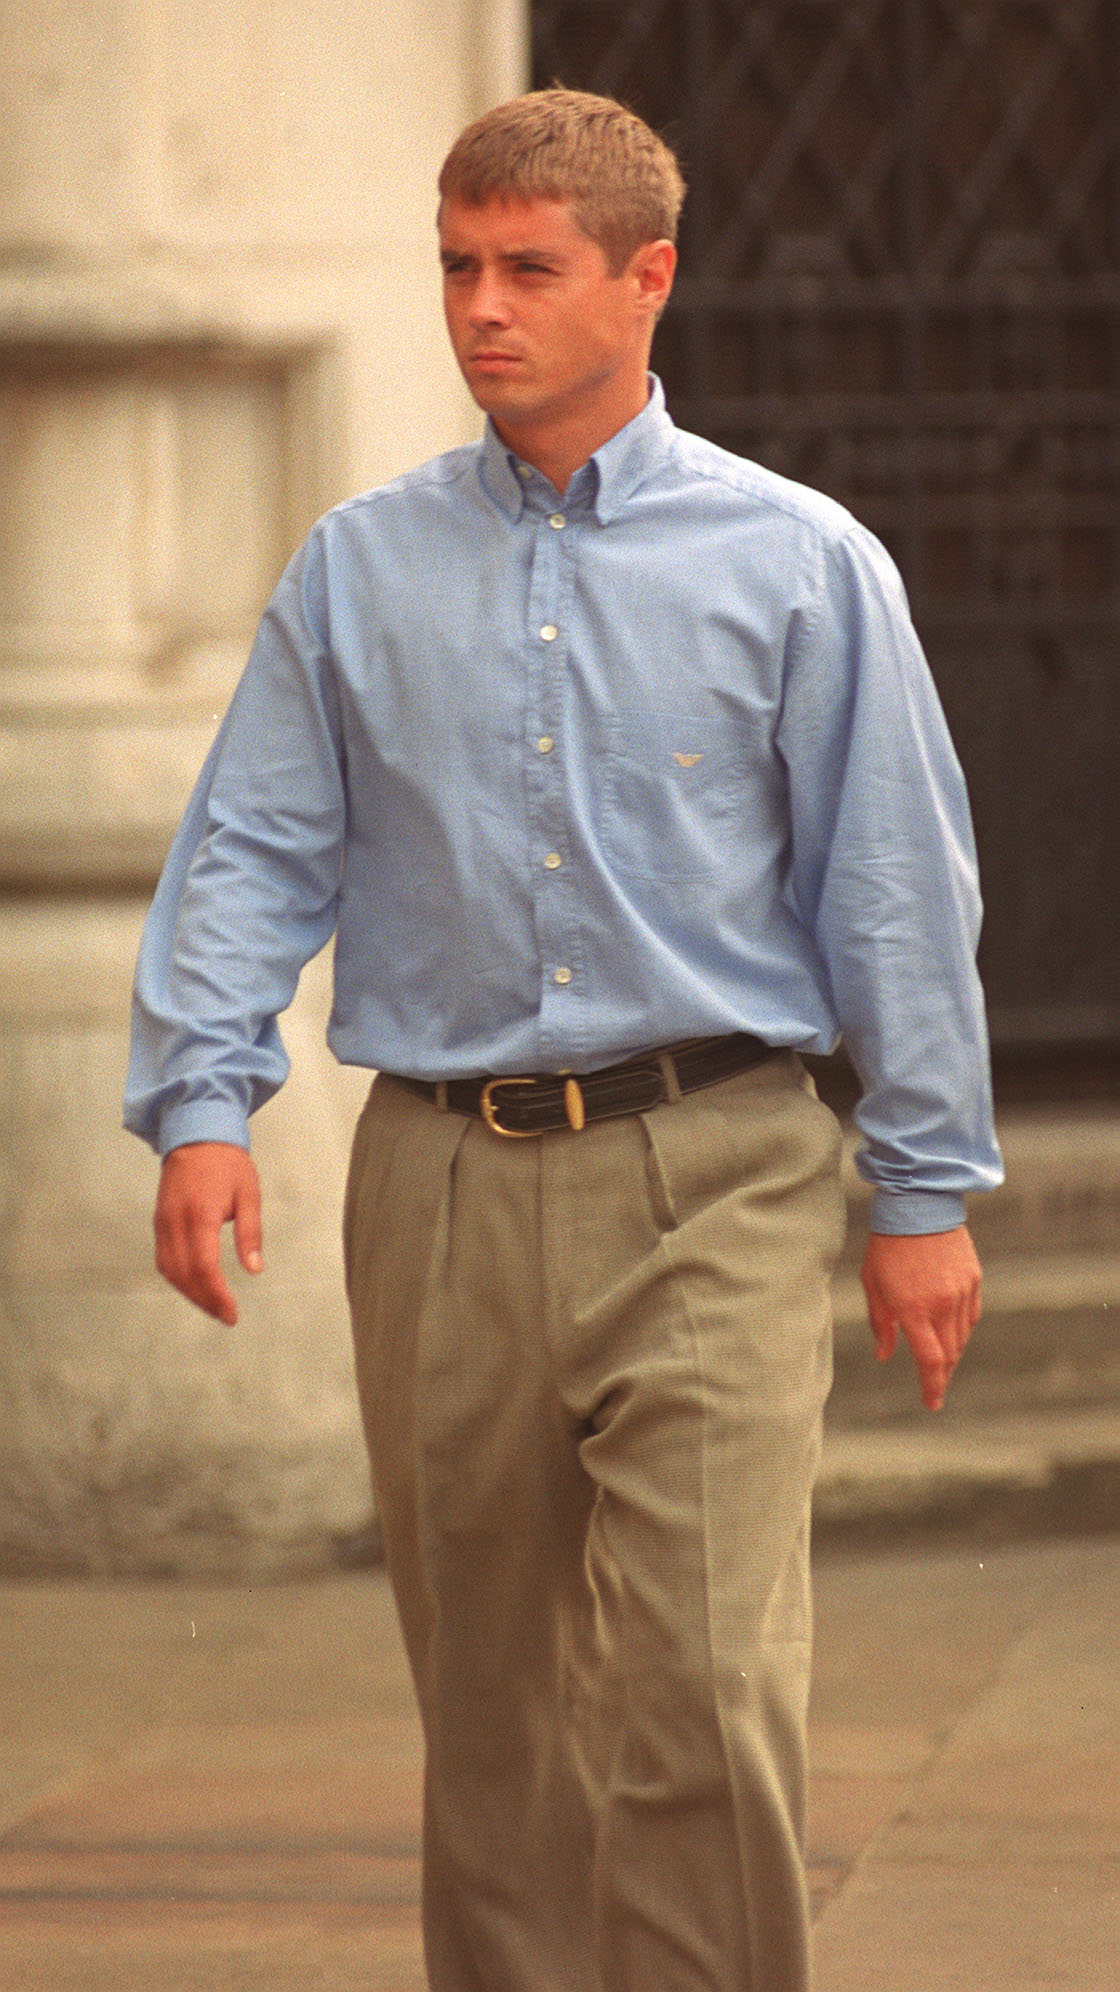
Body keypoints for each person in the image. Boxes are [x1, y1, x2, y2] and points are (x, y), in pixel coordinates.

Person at [125, 88, 1003, 1992]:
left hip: (719, 1171)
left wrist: (924, 1186)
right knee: (497, 1727)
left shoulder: (798, 563)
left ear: (648, 279)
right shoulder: (356, 570)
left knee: (699, 1683)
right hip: (435, 1184)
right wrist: (205, 1103)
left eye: (529, 270)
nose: (481, 311)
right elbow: (256, 851)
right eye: (457, 268)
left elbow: (892, 892)